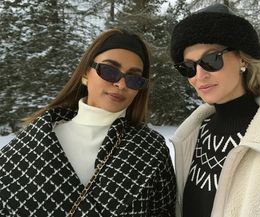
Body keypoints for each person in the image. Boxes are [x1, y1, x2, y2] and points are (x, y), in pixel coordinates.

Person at [0, 28, 176, 216]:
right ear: (85, 73)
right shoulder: (31, 142)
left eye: (134, 79)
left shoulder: (151, 150)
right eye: (109, 70)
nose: (121, 84)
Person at [169, 3, 260, 217]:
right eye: (189, 67)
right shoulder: (193, 135)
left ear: (242, 59)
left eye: (212, 59)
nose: (199, 75)